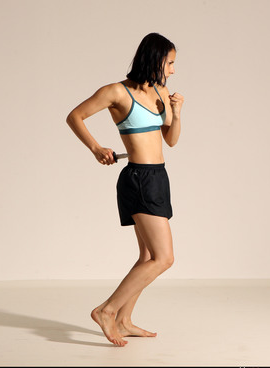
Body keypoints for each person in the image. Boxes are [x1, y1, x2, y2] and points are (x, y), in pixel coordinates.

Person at [66, 33, 184, 347]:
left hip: (158, 176)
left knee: (148, 254)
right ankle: (106, 310)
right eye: (170, 63)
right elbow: (74, 116)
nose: (172, 70)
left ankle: (124, 320)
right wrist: (95, 148)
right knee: (164, 258)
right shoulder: (116, 92)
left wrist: (177, 111)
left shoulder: (162, 90)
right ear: (156, 59)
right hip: (139, 178)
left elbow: (170, 140)